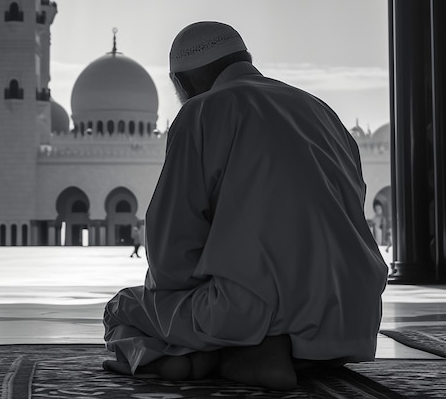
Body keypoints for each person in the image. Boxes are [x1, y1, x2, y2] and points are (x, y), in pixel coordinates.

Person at [103, 21, 388, 391]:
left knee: (122, 307)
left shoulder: (201, 111)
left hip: (251, 314)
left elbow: (169, 251)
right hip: (355, 320)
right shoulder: (322, 111)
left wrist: (200, 291)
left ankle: (191, 355)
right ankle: (267, 352)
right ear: (245, 59)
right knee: (242, 306)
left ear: (183, 83)